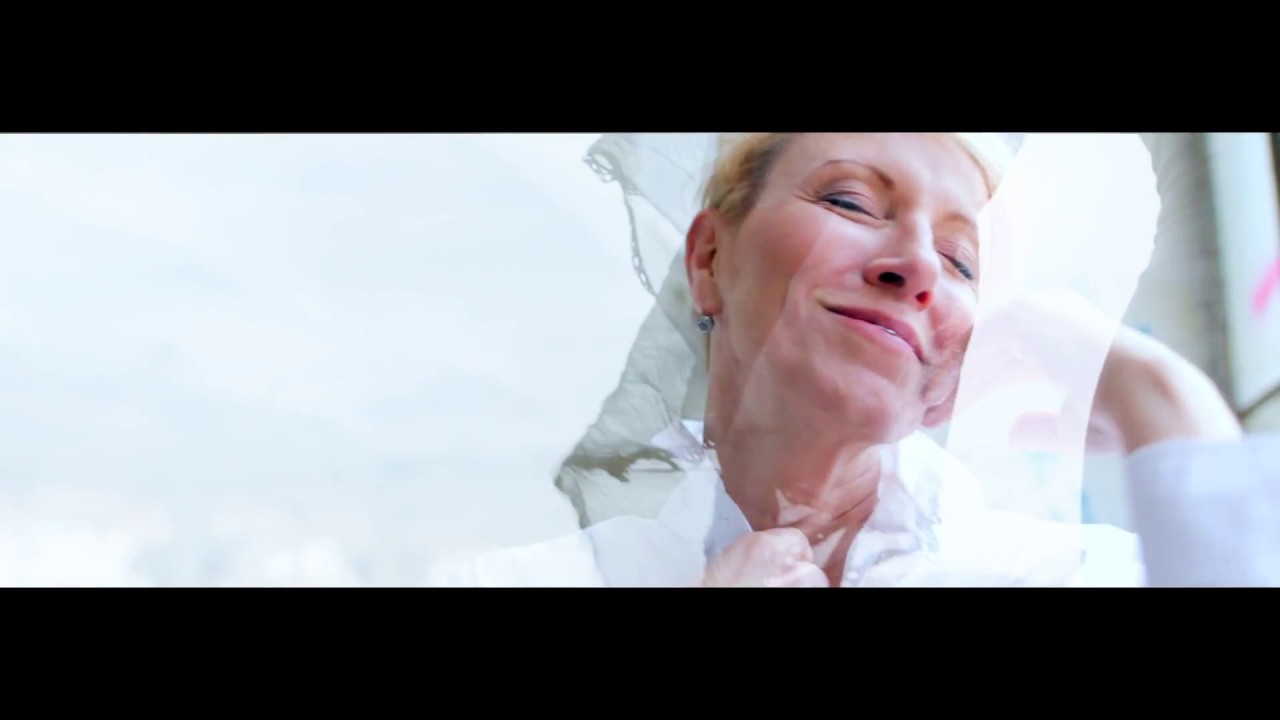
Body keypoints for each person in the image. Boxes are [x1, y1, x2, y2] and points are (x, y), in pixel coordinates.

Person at [428, 133, 1278, 587]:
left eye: (962, 262)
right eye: (850, 200)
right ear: (709, 259)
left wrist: (1161, 400)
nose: (915, 265)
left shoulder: (1091, 576)